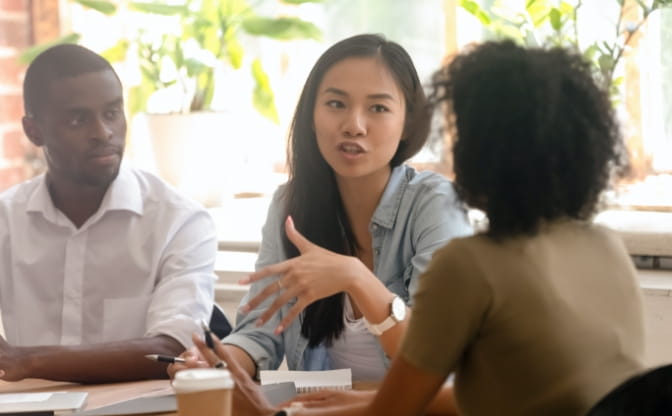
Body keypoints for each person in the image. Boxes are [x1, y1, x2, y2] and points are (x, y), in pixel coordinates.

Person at [192, 40, 647, 416]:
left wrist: (279, 414)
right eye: (335, 104)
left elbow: (396, 410)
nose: (355, 125)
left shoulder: (470, 261)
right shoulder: (604, 246)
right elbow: (495, 398)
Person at [170, 33, 472, 381]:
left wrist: (357, 278)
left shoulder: (436, 204)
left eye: (378, 108)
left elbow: (436, 357)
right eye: (336, 104)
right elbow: (258, 335)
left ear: (407, 123)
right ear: (312, 113)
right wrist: (216, 362)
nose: (354, 126)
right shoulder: (290, 204)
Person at [0, 44, 217, 383]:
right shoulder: (6, 221)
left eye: (112, 113)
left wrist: (26, 361)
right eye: (77, 119)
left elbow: (174, 349)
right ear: (33, 131)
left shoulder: (179, 221)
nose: (103, 133)